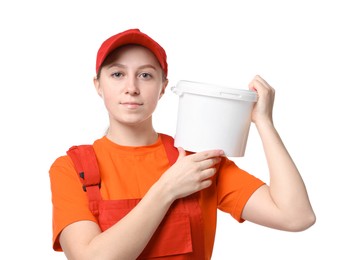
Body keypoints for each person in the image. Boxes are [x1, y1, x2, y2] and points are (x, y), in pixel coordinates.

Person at [49, 28, 316, 260]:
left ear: (163, 87)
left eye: (145, 75)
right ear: (98, 85)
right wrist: (168, 188)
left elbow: (296, 216)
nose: (131, 87)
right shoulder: (73, 168)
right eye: (117, 74)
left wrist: (264, 123)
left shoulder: (198, 160)